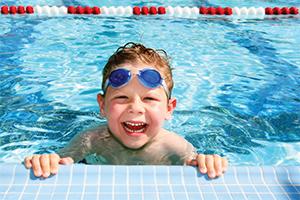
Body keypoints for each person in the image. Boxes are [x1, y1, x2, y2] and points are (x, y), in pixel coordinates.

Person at [24, 42, 228, 179]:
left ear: (168, 108)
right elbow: (61, 161)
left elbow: (196, 165)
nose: (136, 108)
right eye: (122, 97)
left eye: (149, 98)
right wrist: (46, 161)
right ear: (102, 105)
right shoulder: (91, 139)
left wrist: (207, 162)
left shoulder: (174, 146)